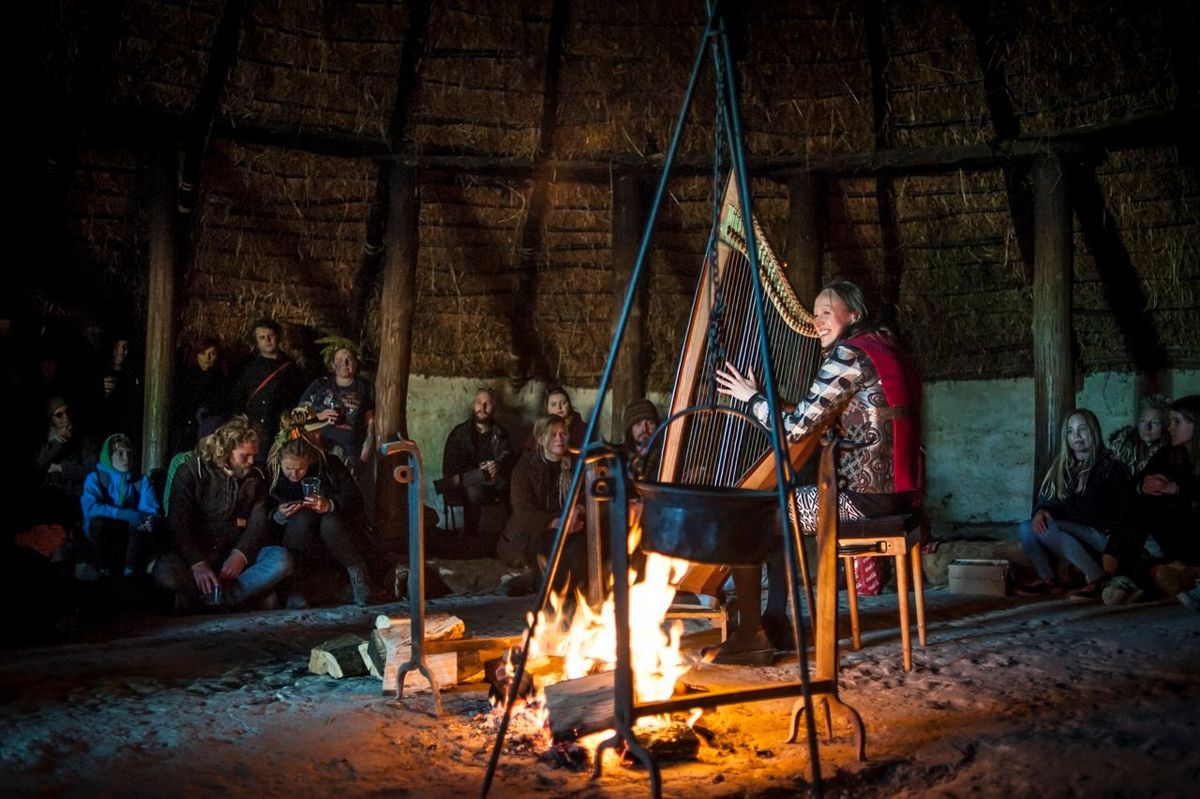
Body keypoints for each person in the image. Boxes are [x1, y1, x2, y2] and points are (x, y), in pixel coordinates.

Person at [715, 280, 921, 657]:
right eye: (815, 314)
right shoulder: (884, 347)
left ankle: (760, 630)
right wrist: (767, 401)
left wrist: (751, 399)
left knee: (762, 511)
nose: (818, 321)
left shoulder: (849, 356)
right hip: (900, 494)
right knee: (774, 505)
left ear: (853, 315)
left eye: (827, 312)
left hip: (864, 499)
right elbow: (815, 415)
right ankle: (773, 621)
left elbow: (796, 430)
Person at [155, 414, 293, 611]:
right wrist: (198, 563)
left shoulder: (255, 477)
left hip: (235, 558)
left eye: (253, 455)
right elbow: (178, 523)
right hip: (199, 555)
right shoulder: (191, 472)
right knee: (165, 572)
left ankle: (209, 602)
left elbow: (258, 522)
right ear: (226, 451)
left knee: (281, 560)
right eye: (244, 456)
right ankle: (242, 599)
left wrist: (241, 554)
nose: (251, 461)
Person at [266, 408, 377, 607]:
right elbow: (262, 512)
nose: (294, 474)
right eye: (288, 468)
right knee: (302, 517)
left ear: (309, 459)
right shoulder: (272, 475)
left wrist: (330, 504)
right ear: (280, 461)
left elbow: (355, 500)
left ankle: (359, 577)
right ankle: (294, 588)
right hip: (295, 540)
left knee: (329, 520)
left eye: (300, 468)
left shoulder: (330, 465)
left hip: (332, 539)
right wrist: (278, 515)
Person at [1014, 409, 1131, 598]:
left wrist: (1056, 514)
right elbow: (1044, 501)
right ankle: (1048, 579)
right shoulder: (1062, 468)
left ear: (1094, 431)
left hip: (1103, 536)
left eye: (1082, 429)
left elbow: (1099, 512)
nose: (1076, 435)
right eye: (1070, 431)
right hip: (1071, 533)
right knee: (1026, 528)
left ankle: (1098, 579)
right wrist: (1041, 511)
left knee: (1049, 527)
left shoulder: (1110, 467)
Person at [498, 415, 586, 594]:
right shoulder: (524, 468)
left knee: (579, 549)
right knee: (548, 553)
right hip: (531, 532)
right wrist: (553, 523)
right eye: (553, 435)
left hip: (569, 525)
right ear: (540, 438)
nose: (560, 439)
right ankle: (535, 583)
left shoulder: (577, 464)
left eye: (563, 434)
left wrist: (578, 509)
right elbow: (523, 511)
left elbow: (587, 494)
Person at [80, 433, 163, 580]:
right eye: (120, 453)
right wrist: (123, 513)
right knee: (98, 524)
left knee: (140, 525)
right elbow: (91, 508)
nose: (126, 458)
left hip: (128, 537)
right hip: (102, 536)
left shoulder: (140, 480)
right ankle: (102, 572)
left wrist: (150, 521)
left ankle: (129, 574)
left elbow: (150, 509)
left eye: (129, 453)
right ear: (109, 456)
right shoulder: (96, 477)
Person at [1135, 395, 1200, 570]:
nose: (1170, 428)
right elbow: (1136, 481)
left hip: (1193, 529)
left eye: (1176, 422)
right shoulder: (1168, 454)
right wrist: (1142, 486)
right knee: (1141, 502)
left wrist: (1176, 488)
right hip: (1173, 529)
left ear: (1196, 424)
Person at [437, 387, 514, 536]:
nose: (482, 407)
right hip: (464, 484)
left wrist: (497, 465)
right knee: (474, 489)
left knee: (514, 488)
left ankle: (510, 538)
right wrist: (478, 471)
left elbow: (509, 457)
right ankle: (470, 539)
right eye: (478, 402)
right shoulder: (459, 433)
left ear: (494, 407)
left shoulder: (500, 433)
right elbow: (450, 467)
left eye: (487, 403)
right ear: (474, 405)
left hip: (493, 484)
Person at [299, 337, 375, 476]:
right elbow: (298, 416)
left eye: (349, 359)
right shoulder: (320, 385)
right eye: (339, 360)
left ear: (356, 363)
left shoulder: (364, 387)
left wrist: (364, 457)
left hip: (350, 454)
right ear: (333, 364)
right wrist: (319, 416)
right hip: (319, 451)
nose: (344, 364)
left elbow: (370, 423)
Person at [228, 319, 305, 444]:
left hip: (280, 432)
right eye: (262, 337)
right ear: (257, 343)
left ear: (278, 337)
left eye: (271, 336)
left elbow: (298, 401)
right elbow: (238, 398)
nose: (268, 340)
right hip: (254, 430)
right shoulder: (248, 367)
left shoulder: (291, 368)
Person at [34, 397, 98, 524]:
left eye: (67, 412)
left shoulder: (83, 439)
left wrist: (60, 468)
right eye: (59, 415)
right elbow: (38, 464)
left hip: (74, 493)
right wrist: (59, 440)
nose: (66, 418)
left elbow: (91, 469)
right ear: (51, 419)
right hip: (47, 494)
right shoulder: (43, 438)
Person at [170, 337, 228, 455]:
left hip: (209, 430)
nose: (207, 358)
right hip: (187, 430)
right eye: (203, 353)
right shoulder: (186, 376)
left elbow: (223, 405)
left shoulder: (221, 379)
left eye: (212, 353)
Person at [1107, 395, 1170, 476]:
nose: (1147, 427)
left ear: (1165, 425)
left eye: (1154, 423)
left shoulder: (1171, 454)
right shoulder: (1121, 450)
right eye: (1143, 421)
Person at [620, 398, 660, 478]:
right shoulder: (620, 458)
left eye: (650, 423)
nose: (644, 429)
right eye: (638, 424)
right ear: (630, 429)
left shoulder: (665, 455)